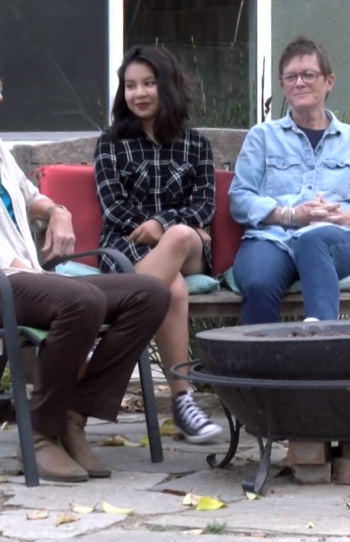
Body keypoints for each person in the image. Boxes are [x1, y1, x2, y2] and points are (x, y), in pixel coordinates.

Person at [0, 49, 172, 483]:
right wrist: (29, 272)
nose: (0, 96)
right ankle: (41, 435)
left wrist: (58, 211)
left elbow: (31, 196)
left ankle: (73, 416)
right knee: (78, 298)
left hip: (19, 282)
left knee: (149, 294)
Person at [94, 45, 222, 443]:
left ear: (167, 87)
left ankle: (98, 367)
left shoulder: (196, 145)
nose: (139, 93)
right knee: (173, 290)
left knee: (181, 235)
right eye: (130, 85)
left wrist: (162, 223)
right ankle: (184, 402)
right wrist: (148, 227)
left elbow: (204, 205)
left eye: (148, 83)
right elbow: (112, 206)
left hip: (190, 248)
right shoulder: (110, 143)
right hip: (126, 246)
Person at [229, 36, 350, 324]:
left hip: (337, 243)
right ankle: (261, 365)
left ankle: (321, 345)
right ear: (282, 85)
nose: (299, 82)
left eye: (309, 74)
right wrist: (291, 215)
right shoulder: (262, 137)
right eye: (290, 76)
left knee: (313, 240)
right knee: (259, 283)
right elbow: (240, 198)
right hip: (272, 240)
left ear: (329, 81)